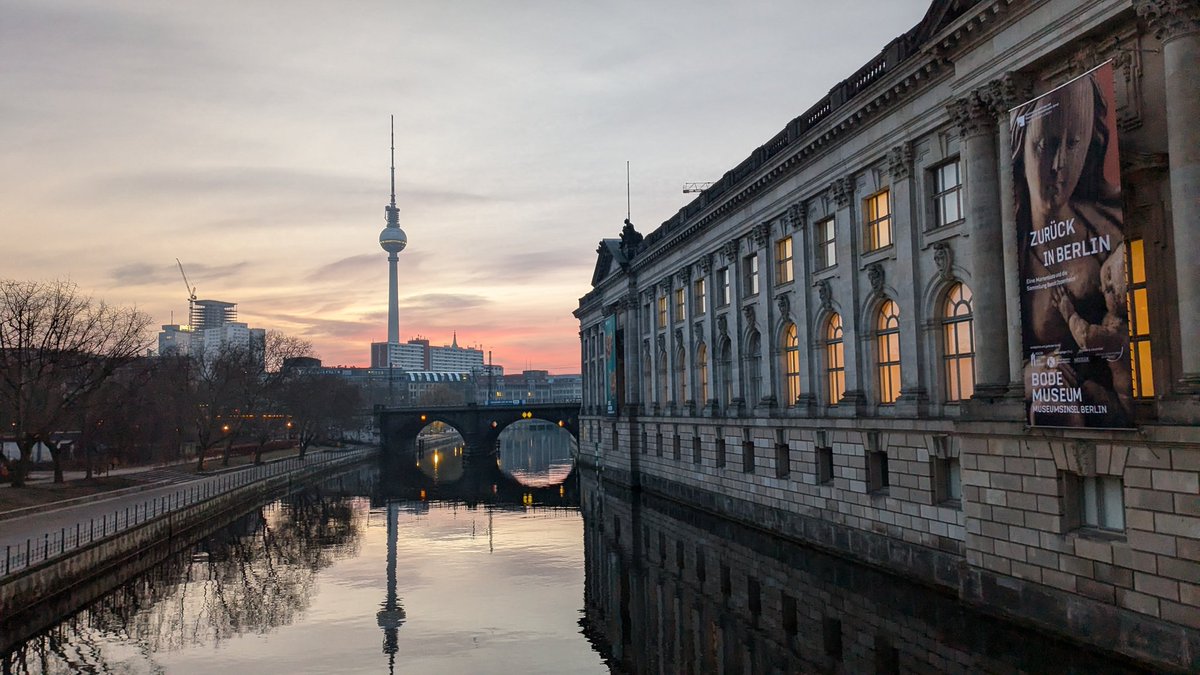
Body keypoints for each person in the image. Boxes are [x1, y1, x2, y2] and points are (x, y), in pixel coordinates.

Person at [1012, 69, 1127, 426]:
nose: (1060, 165)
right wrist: (1029, 376)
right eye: (1046, 144)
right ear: (1020, 146)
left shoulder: (1111, 229)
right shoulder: (1007, 250)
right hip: (1047, 406)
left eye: (1074, 143)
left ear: (1091, 142)